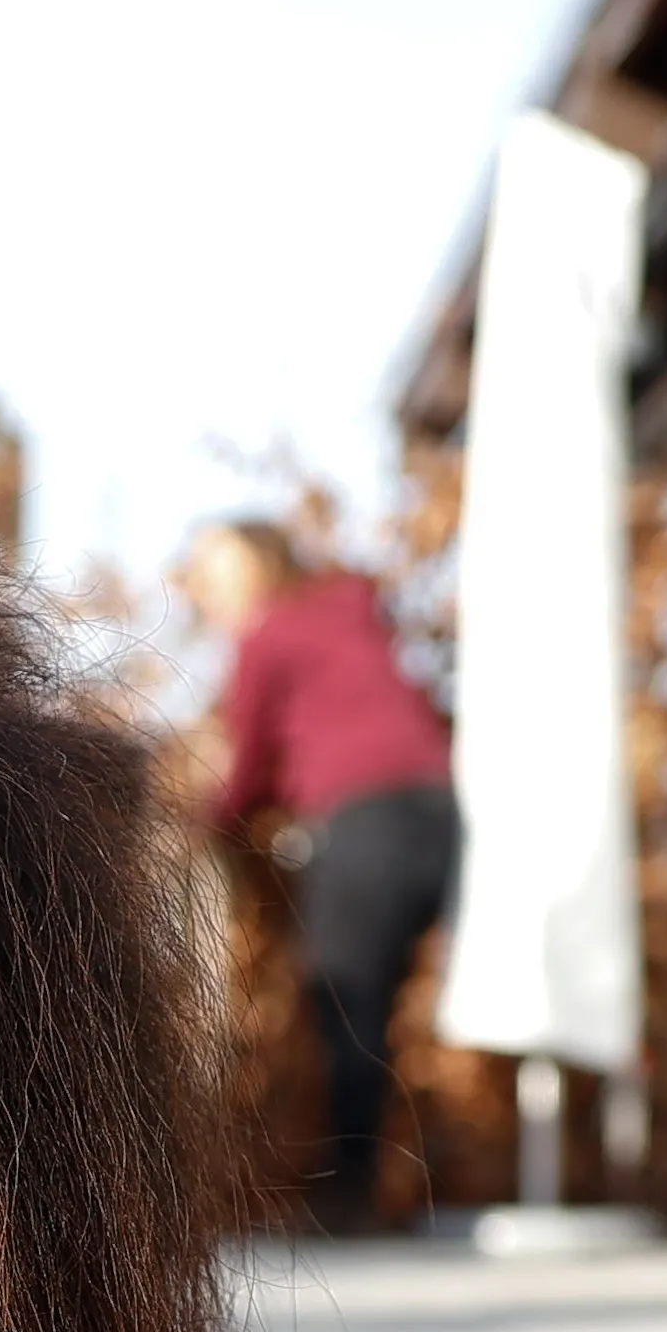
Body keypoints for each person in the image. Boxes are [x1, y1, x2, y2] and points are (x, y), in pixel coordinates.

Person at [192, 517, 459, 1234]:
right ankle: (405, 1183)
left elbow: (244, 774)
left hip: (365, 823)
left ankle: (351, 1198)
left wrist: (198, 826)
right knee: (400, 1007)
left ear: (260, 569)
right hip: (442, 812)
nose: (209, 592)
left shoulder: (266, 634)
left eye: (218, 574)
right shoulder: (351, 611)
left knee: (343, 1003)